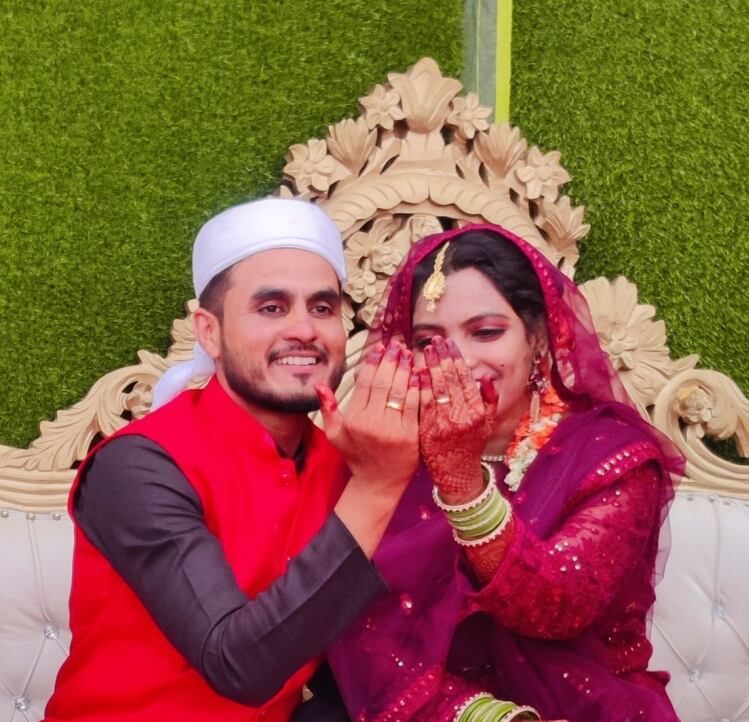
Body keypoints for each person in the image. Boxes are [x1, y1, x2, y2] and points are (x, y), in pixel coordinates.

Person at [44, 198, 421, 722]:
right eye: (272, 308)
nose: (305, 330)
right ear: (209, 332)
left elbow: (376, 650)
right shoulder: (136, 467)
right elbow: (237, 664)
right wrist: (377, 487)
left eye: (322, 307)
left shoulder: (345, 465)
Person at [327, 225, 684, 722]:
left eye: (486, 332)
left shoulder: (611, 455)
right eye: (430, 341)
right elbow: (361, 629)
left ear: (539, 336)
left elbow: (557, 604)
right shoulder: (392, 455)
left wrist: (462, 484)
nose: (461, 361)